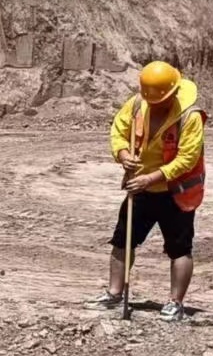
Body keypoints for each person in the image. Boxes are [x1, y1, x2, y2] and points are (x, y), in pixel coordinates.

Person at [87, 60, 206, 322]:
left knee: (179, 248)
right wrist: (123, 154)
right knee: (122, 240)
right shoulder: (138, 104)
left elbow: (187, 158)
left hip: (175, 191)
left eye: (160, 100)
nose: (154, 105)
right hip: (140, 186)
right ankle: (114, 293)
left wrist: (151, 178)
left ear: (174, 92)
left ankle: (175, 303)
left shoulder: (190, 116)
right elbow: (119, 130)